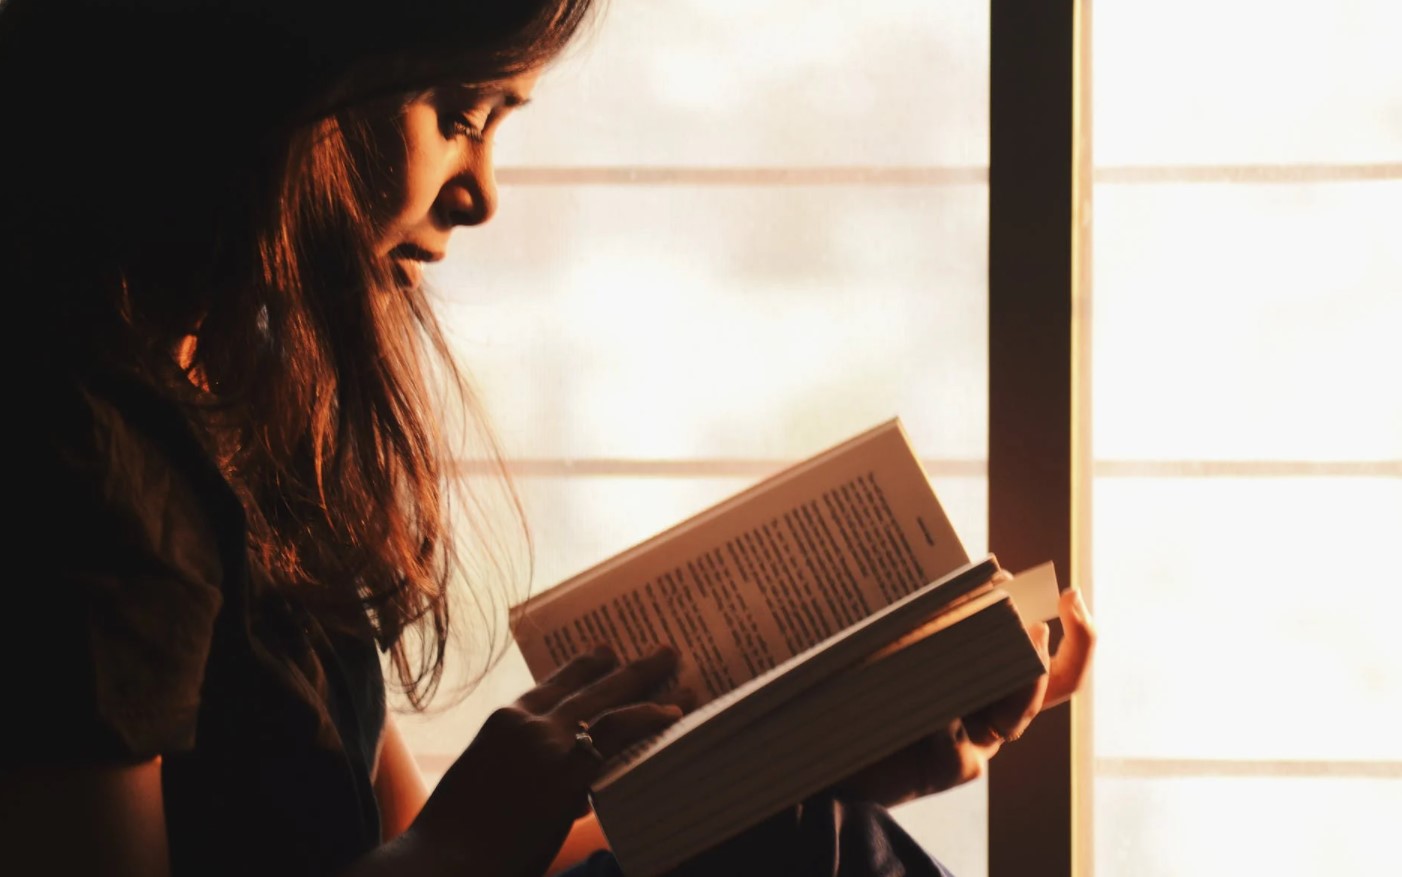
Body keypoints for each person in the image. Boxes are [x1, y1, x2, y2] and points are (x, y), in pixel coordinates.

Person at [0, 1, 1095, 875]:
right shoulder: (81, 466)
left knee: (802, 835)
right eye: (463, 113)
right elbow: (438, 855)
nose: (479, 194)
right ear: (292, 68)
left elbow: (402, 848)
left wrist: (812, 759)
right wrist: (462, 845)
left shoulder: (242, 405)